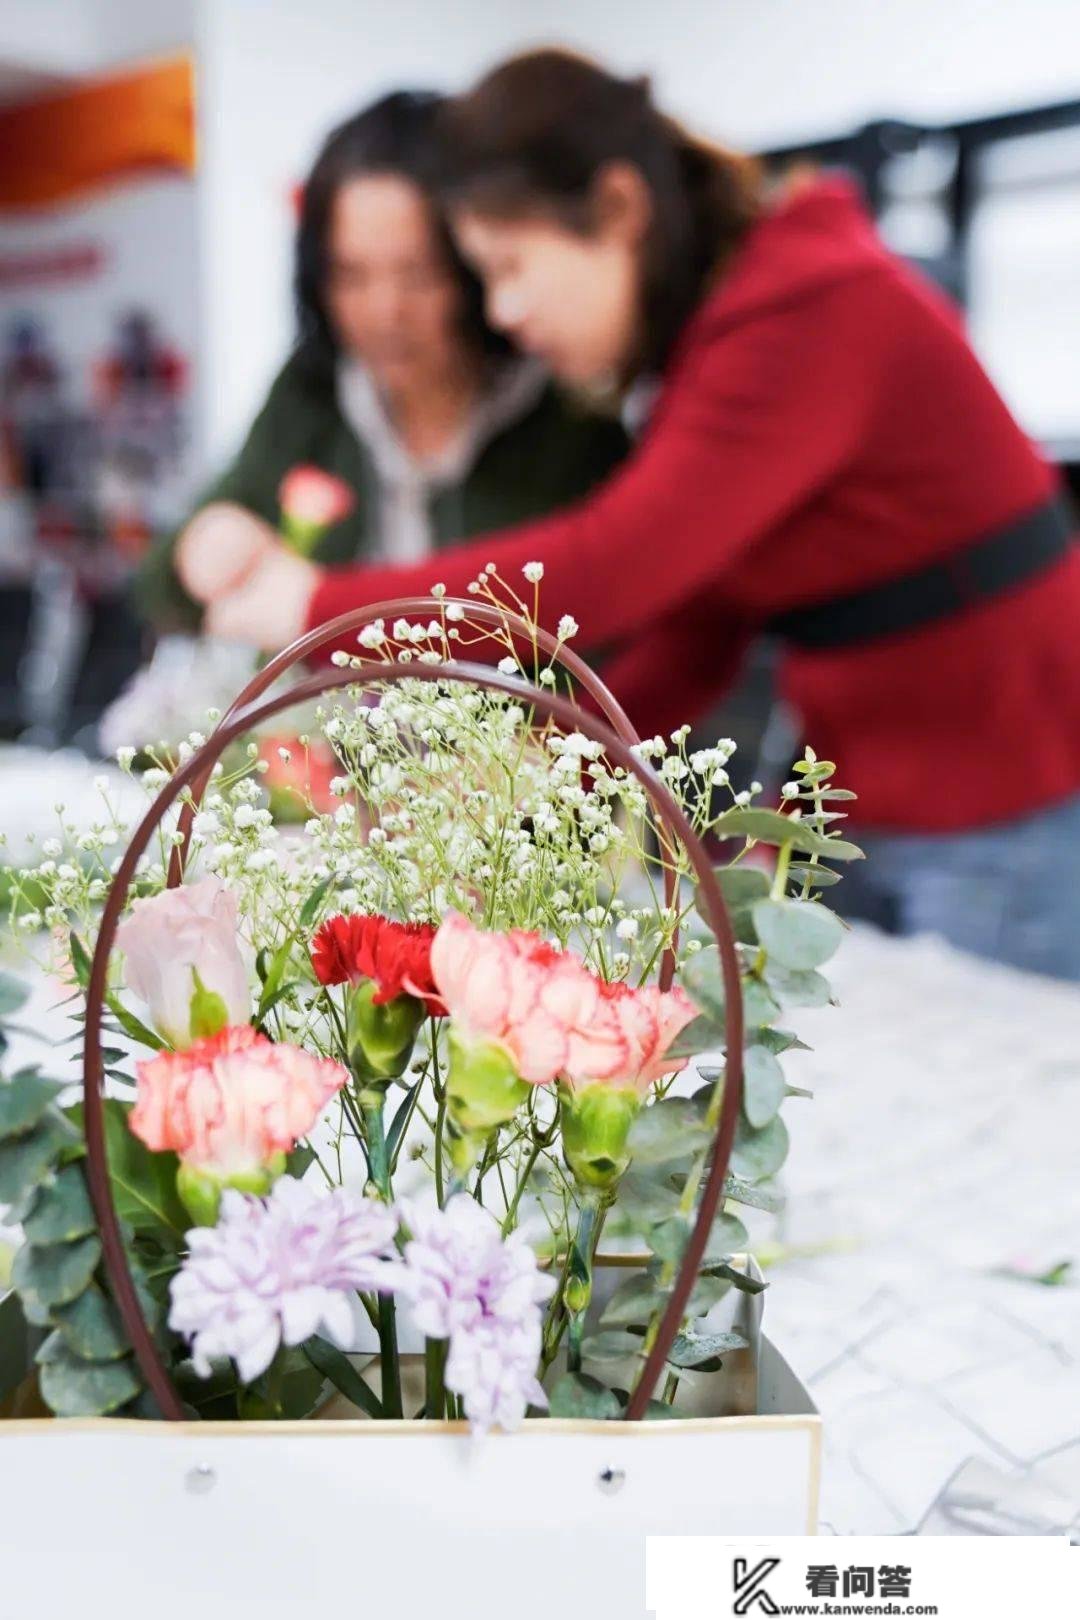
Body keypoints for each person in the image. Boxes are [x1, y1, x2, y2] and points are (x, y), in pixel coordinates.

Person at [181, 51, 1080, 980]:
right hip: (869, 790)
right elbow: (705, 619)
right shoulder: (722, 337)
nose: (508, 310)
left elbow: (612, 564)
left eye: (512, 265)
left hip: (1003, 797)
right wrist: (535, 771)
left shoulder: (803, 311)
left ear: (617, 209)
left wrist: (319, 603)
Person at [136, 88, 627, 629]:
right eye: (351, 276)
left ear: (473, 263)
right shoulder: (314, 392)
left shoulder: (565, 414)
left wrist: (319, 607)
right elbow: (159, 584)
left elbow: (604, 626)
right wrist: (206, 546)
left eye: (418, 275)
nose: (385, 312)